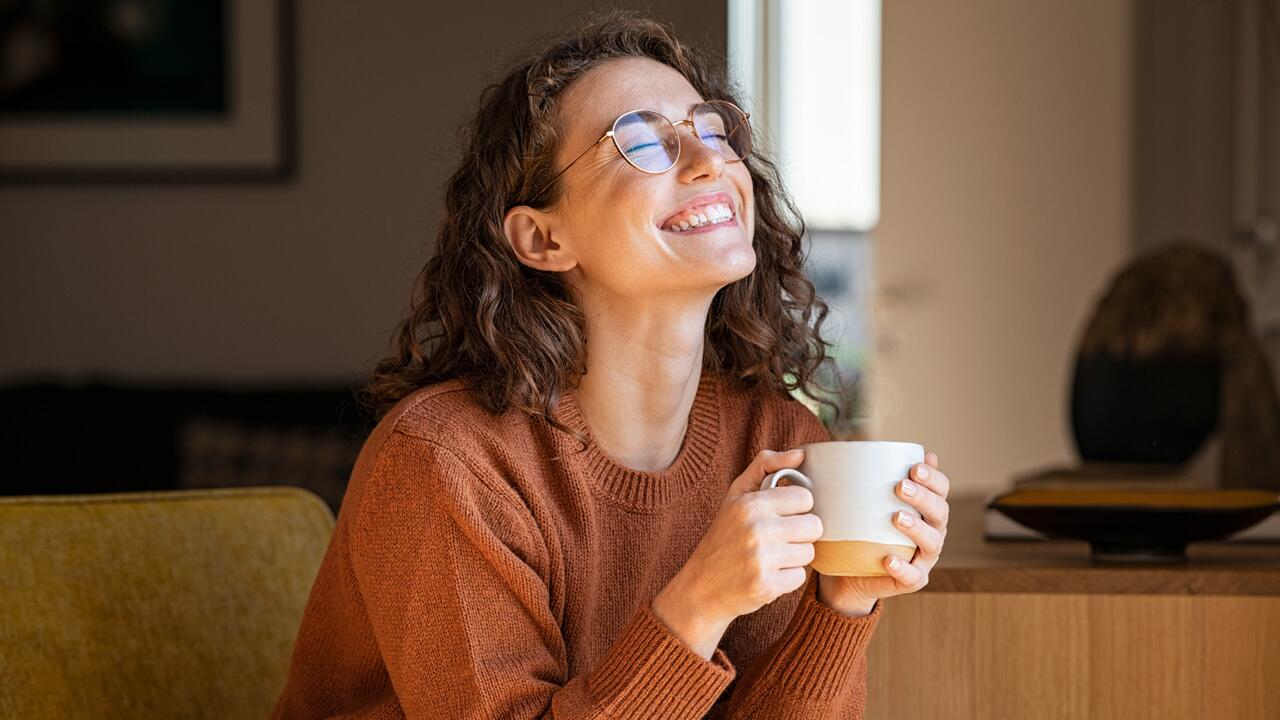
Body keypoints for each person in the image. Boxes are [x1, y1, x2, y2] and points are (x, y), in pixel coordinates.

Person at [271, 10, 951, 719]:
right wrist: (698, 603)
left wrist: (843, 602)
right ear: (542, 238)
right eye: (640, 143)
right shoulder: (449, 463)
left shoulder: (777, 441)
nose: (709, 160)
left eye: (711, 128)